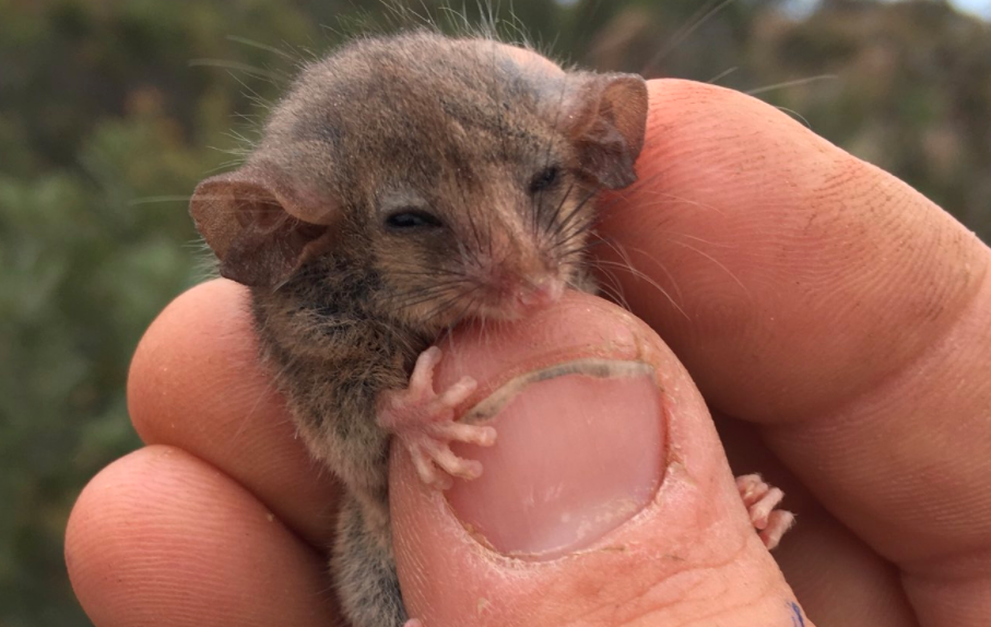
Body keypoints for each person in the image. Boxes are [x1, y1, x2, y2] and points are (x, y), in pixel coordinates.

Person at [64, 79, 991, 626]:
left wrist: (702, 514)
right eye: (417, 222)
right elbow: (351, 450)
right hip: (393, 580)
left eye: (543, 183)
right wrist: (400, 416)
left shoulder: (605, 276)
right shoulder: (313, 302)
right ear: (301, 237)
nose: (528, 270)